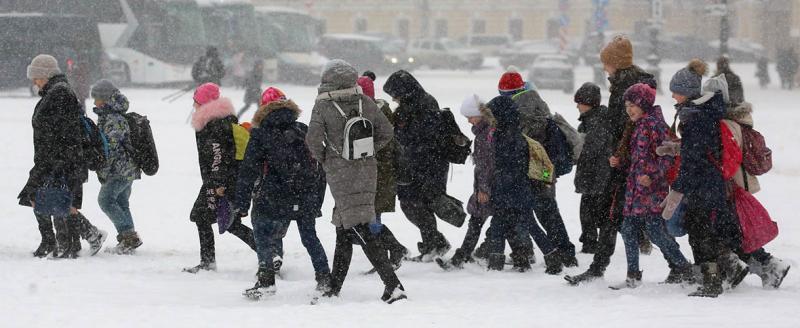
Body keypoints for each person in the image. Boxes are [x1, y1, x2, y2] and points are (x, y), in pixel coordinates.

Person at [306, 59, 405, 303]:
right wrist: (367, 150)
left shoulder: (323, 105)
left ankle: (393, 285)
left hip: (340, 173)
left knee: (356, 227)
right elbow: (387, 132)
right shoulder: (366, 102)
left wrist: (328, 158)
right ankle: (334, 288)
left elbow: (312, 140)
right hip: (367, 169)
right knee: (344, 228)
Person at [565, 35, 656, 286]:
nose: (604, 68)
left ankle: (675, 264)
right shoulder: (625, 83)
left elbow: (623, 126)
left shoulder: (626, 88)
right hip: (624, 160)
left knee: (617, 217)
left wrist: (617, 153)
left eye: (606, 63)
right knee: (616, 217)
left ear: (617, 63)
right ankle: (603, 267)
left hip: (624, 163)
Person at [235, 87, 331, 299]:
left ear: (263, 109)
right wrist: (317, 200)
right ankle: (324, 278)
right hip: (304, 195)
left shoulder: (259, 135)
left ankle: (266, 280)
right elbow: (320, 166)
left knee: (262, 233)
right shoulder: (303, 130)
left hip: (272, 196)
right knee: (310, 237)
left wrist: (241, 203)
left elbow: (248, 171)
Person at [18, 54, 106, 259]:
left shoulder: (59, 93)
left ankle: (65, 243)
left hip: (59, 159)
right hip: (56, 158)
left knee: (49, 199)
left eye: (37, 77)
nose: (34, 81)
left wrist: (57, 161)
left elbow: (64, 132)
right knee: (54, 200)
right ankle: (73, 240)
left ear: (46, 75)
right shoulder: (56, 92)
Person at [611, 83, 692, 289]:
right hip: (634, 189)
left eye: (633, 105)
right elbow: (639, 157)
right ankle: (633, 275)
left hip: (651, 191)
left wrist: (652, 176)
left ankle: (683, 266)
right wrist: (621, 161)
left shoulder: (654, 125)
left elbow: (669, 156)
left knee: (655, 231)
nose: (629, 109)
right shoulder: (637, 125)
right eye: (627, 105)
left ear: (644, 104)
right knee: (628, 229)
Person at [497, 67, 577, 267]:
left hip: (524, 172)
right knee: (549, 212)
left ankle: (525, 253)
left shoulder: (512, 112)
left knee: (520, 214)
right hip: (545, 170)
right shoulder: (540, 105)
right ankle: (566, 252)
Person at [669, 59, 735, 297]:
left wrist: (678, 186)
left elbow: (693, 160)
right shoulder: (702, 114)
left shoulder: (695, 119)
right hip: (709, 184)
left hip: (702, 186)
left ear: (687, 92)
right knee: (706, 230)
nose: (673, 97)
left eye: (676, 92)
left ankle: (712, 281)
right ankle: (718, 275)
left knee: (701, 232)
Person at [184, 82, 256, 273]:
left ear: (204, 102)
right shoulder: (221, 121)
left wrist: (217, 183)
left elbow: (218, 156)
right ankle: (268, 251)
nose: (194, 105)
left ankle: (208, 262)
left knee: (202, 216)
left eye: (196, 101)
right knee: (230, 222)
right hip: (227, 179)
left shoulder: (213, 124)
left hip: (219, 181)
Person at [382, 70, 451, 261]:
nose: (394, 99)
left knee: (416, 205)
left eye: (395, 94)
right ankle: (434, 243)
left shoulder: (423, 105)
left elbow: (425, 139)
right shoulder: (415, 104)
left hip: (425, 166)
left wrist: (402, 139)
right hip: (415, 165)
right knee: (415, 205)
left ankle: (433, 244)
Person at [723, 101, 791, 289]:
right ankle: (767, 266)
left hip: (734, 184)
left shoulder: (730, 124)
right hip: (739, 182)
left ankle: (769, 264)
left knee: (736, 231)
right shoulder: (742, 122)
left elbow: (731, 156)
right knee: (737, 230)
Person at [357, 73, 409, 270]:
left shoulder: (373, 117)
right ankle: (387, 255)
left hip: (377, 176)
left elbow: (375, 149)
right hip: (379, 175)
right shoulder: (380, 112)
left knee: (369, 220)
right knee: (370, 219)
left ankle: (393, 251)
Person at [90, 79, 143, 254]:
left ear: (105, 99)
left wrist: (102, 170)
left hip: (120, 169)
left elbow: (111, 150)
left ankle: (128, 237)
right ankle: (130, 238)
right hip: (128, 168)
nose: (94, 101)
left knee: (105, 200)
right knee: (121, 201)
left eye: (96, 98)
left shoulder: (113, 118)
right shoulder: (110, 115)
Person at [572, 82, 614, 255]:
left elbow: (590, 148)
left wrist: (574, 148)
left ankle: (592, 243)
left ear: (588, 103)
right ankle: (592, 241)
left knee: (591, 211)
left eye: (579, 102)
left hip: (596, 175)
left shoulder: (596, 122)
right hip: (594, 174)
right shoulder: (592, 120)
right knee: (592, 210)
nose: (577, 106)